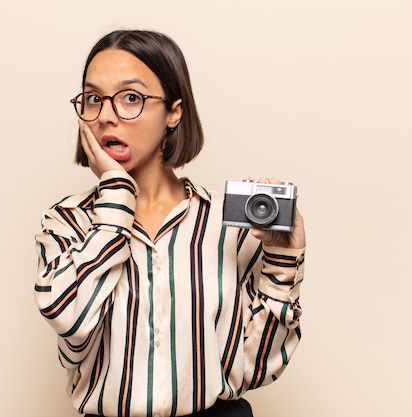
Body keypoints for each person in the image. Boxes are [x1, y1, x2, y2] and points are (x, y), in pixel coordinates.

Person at [34, 29, 306, 417]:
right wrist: (115, 190)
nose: (107, 116)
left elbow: (255, 367)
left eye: (131, 97)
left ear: (174, 111)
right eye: (93, 99)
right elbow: (71, 322)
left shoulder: (229, 226)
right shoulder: (67, 222)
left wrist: (284, 257)